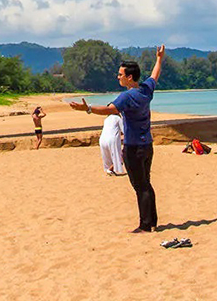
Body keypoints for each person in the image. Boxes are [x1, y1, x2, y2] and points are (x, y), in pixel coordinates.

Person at [70, 45, 166, 233]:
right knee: (146, 183)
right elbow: (155, 75)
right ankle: (152, 221)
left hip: (134, 147)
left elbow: (108, 110)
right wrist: (159, 59)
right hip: (147, 145)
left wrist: (87, 109)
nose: (118, 77)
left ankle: (146, 225)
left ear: (129, 77)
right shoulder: (146, 89)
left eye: (120, 74)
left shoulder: (128, 96)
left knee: (141, 186)